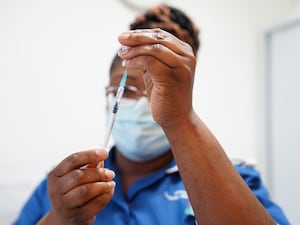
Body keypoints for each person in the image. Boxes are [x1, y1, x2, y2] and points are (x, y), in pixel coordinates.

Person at [13, 4, 290, 225]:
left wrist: (180, 119)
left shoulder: (233, 179)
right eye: (130, 89)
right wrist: (60, 219)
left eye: (159, 90)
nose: (146, 103)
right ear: (109, 95)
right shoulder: (66, 187)